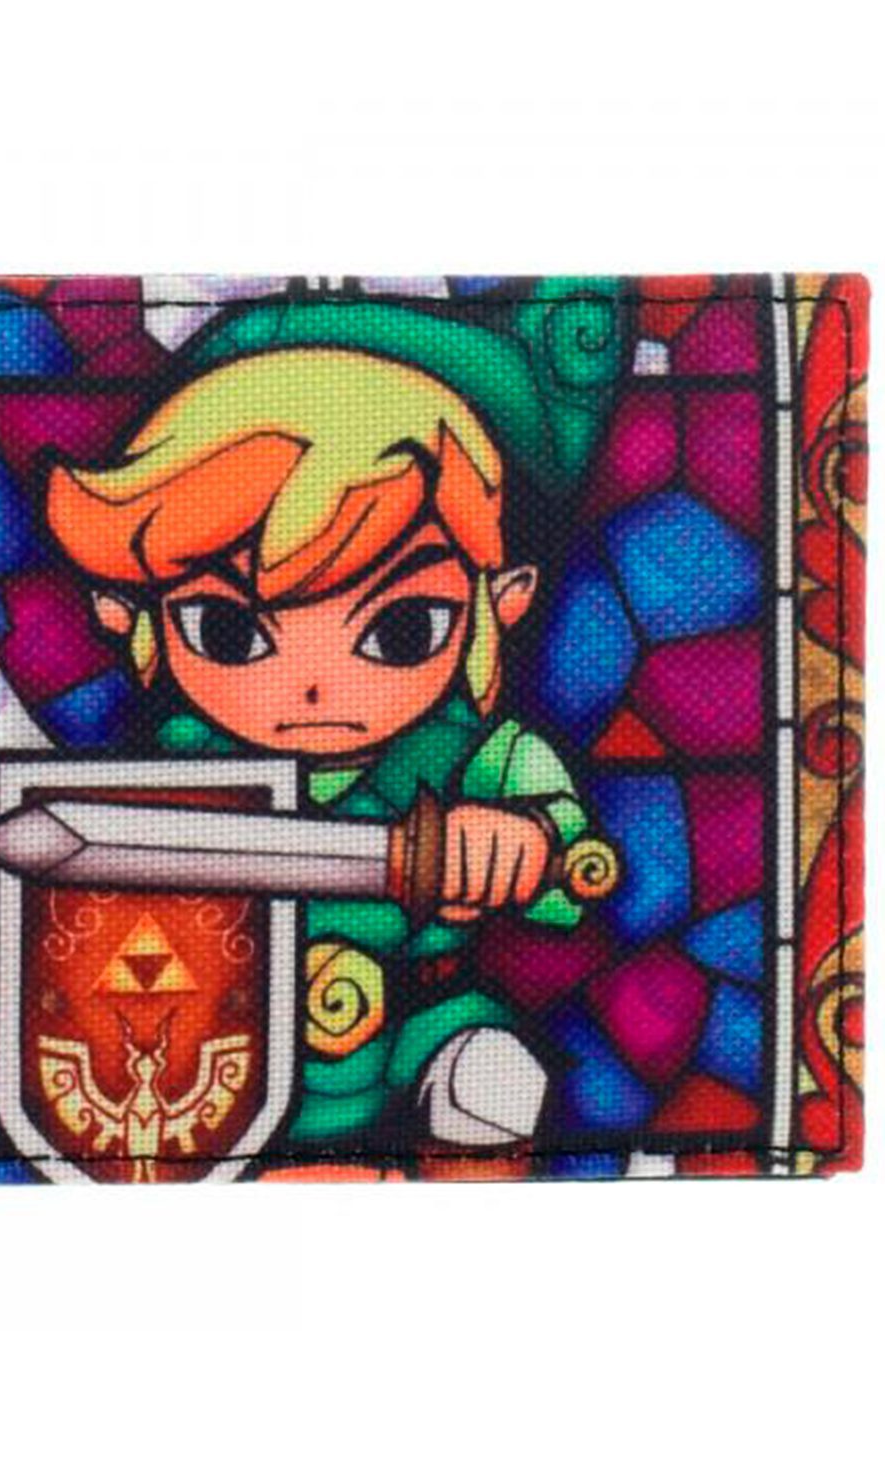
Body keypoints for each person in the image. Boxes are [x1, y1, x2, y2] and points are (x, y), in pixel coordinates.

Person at [46, 346, 591, 1157]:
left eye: (401, 627)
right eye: (228, 629)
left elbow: (572, 868)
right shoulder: (180, 762)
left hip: (423, 1022)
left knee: (492, 1088)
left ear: (501, 603)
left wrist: (523, 844)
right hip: (218, 1047)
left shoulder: (478, 754)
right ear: (134, 618)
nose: (311, 687)